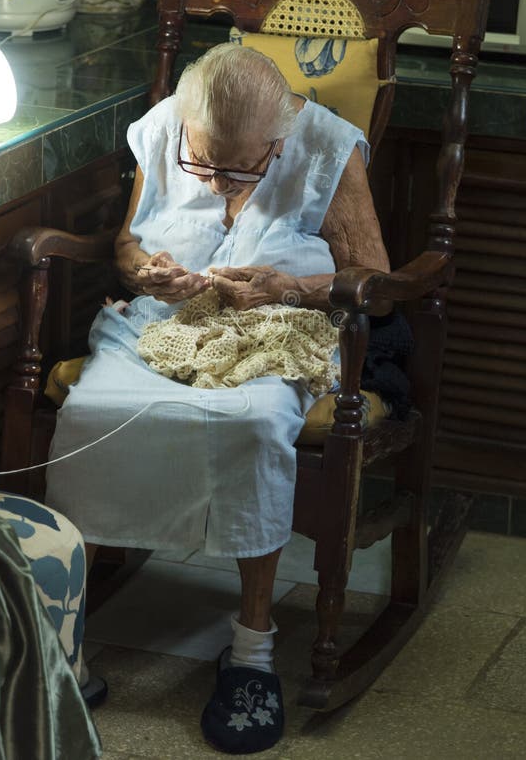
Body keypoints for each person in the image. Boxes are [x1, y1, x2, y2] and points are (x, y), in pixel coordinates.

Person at [45, 42, 389, 754]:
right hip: (161, 328)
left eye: (240, 168)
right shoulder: (168, 124)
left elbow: (373, 280)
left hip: (277, 331)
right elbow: (128, 247)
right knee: (90, 414)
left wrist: (284, 286)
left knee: (255, 422)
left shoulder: (325, 146)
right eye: (202, 163)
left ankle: (252, 651)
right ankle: (66, 637)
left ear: (280, 137)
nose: (217, 181)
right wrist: (152, 274)